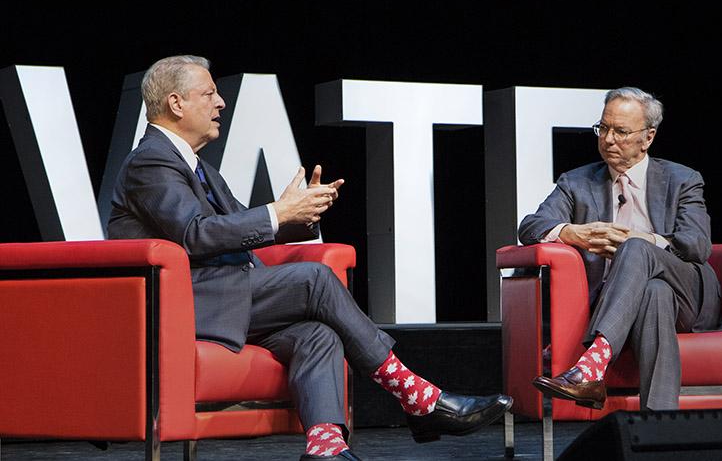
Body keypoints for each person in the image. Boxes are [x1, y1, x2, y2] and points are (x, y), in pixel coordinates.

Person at [107, 55, 512, 460]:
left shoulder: (200, 169)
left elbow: (240, 232)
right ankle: (414, 395)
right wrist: (276, 213)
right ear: (176, 104)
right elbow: (195, 234)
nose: (221, 103)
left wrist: (297, 213)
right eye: (209, 93)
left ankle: (325, 446)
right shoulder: (151, 161)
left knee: (318, 334)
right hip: (184, 305)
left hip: (226, 298)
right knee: (314, 278)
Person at [518, 87, 722, 411]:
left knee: (636, 247)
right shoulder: (576, 183)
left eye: (621, 131)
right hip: (637, 299)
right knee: (655, 293)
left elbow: (698, 245)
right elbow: (529, 227)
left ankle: (593, 363)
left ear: (648, 137)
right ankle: (658, 426)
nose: (608, 139)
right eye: (603, 128)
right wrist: (573, 232)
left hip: (688, 293)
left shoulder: (682, 179)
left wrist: (644, 239)